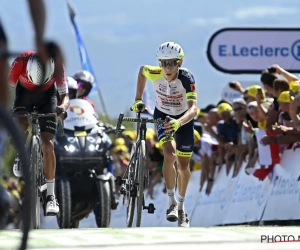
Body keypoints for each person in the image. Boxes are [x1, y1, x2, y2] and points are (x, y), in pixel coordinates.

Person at [131, 42, 198, 227]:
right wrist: (138, 99)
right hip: (162, 116)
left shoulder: (187, 78)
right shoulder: (154, 72)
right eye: (163, 63)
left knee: (183, 166)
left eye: (171, 63)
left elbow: (194, 110)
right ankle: (172, 204)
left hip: (183, 119)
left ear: (180, 62)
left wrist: (179, 122)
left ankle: (182, 208)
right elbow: (142, 70)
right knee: (169, 154)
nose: (167, 68)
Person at [9, 50, 70, 215]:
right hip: (24, 95)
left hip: (48, 98)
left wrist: (62, 109)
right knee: (21, 122)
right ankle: (21, 153)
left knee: (48, 144)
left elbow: (65, 96)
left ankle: (51, 196)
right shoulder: (20, 62)